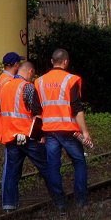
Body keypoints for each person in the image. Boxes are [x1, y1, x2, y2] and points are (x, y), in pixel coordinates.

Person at [0, 61, 58, 212]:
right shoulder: (28, 87)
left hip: (12, 137)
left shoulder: (4, 87)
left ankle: (9, 205)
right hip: (28, 137)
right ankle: (59, 200)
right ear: (30, 72)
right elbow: (36, 113)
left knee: (12, 172)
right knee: (46, 167)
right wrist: (40, 136)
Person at [36, 48, 93, 210]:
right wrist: (85, 132)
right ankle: (81, 202)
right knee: (79, 162)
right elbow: (76, 109)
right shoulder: (71, 80)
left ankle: (60, 204)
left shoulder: (39, 81)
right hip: (69, 131)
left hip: (49, 131)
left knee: (53, 166)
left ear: (52, 61)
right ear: (66, 62)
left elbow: (37, 110)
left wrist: (40, 133)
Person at [0, 52, 23, 143]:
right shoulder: (9, 82)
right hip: (11, 127)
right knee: (13, 153)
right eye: (19, 63)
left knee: (14, 153)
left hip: (7, 125)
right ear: (16, 65)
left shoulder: (3, 78)